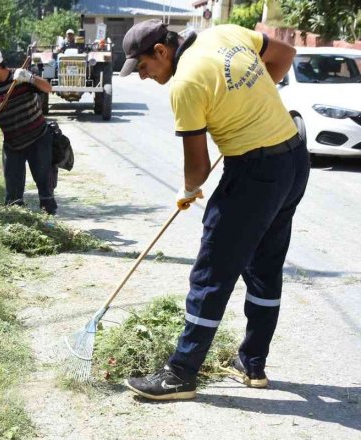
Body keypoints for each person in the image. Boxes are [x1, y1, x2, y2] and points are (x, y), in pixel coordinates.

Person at [119, 20, 309, 400]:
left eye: (143, 67)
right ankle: (252, 363)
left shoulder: (185, 84)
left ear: (161, 51)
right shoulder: (224, 33)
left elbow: (198, 168)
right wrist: (251, 107)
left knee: (211, 274)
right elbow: (286, 55)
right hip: (293, 160)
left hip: (255, 174)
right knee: (264, 267)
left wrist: (188, 190)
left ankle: (180, 374)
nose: (143, 76)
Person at [0, 49, 57, 214]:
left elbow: (48, 88)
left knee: (45, 186)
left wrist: (31, 78)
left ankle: (49, 217)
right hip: (12, 144)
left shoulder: (21, 78)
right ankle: (16, 217)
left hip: (38, 139)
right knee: (13, 192)